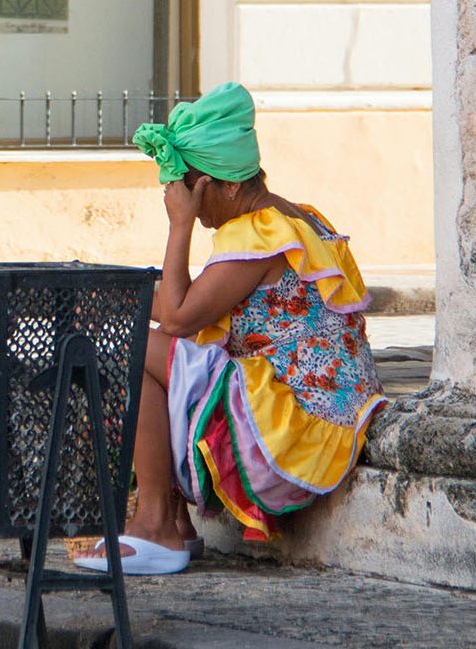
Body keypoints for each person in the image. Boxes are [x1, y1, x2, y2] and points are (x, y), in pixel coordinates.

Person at [76, 82, 386, 575]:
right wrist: (104, 297)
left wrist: (177, 227)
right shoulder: (292, 217)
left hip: (293, 431)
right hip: (316, 411)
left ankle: (155, 521)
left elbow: (177, 315)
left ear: (226, 185)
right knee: (166, 348)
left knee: (128, 350)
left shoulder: (260, 234)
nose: (191, 208)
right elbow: (190, 305)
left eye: (191, 190)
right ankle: (174, 524)